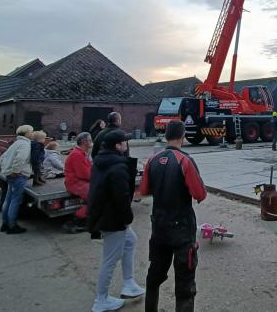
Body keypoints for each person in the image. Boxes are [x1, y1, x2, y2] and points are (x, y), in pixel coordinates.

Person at [139, 120, 207, 312]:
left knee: (154, 276)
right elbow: (199, 194)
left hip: (159, 226)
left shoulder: (152, 160)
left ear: (166, 135)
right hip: (182, 229)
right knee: (185, 283)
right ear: (182, 136)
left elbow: (143, 190)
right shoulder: (185, 160)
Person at [88, 130, 145, 312]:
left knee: (131, 241)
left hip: (104, 214)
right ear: (118, 146)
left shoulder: (101, 161)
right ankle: (101, 299)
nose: (127, 144)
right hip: (112, 219)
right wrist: (127, 218)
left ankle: (129, 283)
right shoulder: (118, 168)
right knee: (110, 259)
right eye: (124, 142)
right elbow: (121, 197)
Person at [0, 124, 34, 234]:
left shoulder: (16, 143)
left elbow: (2, 158)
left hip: (11, 175)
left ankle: (5, 223)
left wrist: (6, 169)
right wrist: (15, 171)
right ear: (27, 133)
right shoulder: (25, 144)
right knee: (15, 200)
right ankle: (12, 226)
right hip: (18, 176)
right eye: (31, 132)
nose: (33, 134)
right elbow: (20, 159)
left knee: (8, 199)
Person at [63, 132, 94, 234]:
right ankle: (76, 219)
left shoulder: (80, 153)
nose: (91, 142)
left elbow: (89, 170)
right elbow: (84, 174)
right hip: (76, 183)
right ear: (84, 142)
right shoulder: (77, 155)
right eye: (90, 140)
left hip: (79, 182)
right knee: (97, 196)